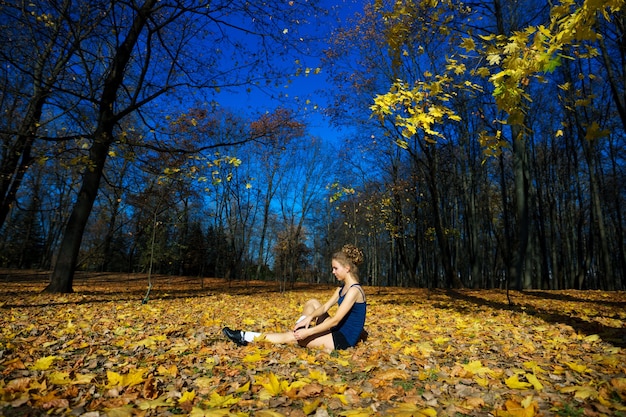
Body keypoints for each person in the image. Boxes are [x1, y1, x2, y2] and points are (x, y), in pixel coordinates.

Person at [222, 244, 367, 352]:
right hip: (337, 329)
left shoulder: (354, 291)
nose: (333, 272)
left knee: (291, 338)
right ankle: (300, 327)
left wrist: (308, 332)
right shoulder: (341, 289)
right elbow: (323, 308)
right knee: (312, 303)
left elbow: (335, 320)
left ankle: (244, 337)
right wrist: (308, 318)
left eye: (335, 268)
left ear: (347, 268)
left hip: (342, 340)